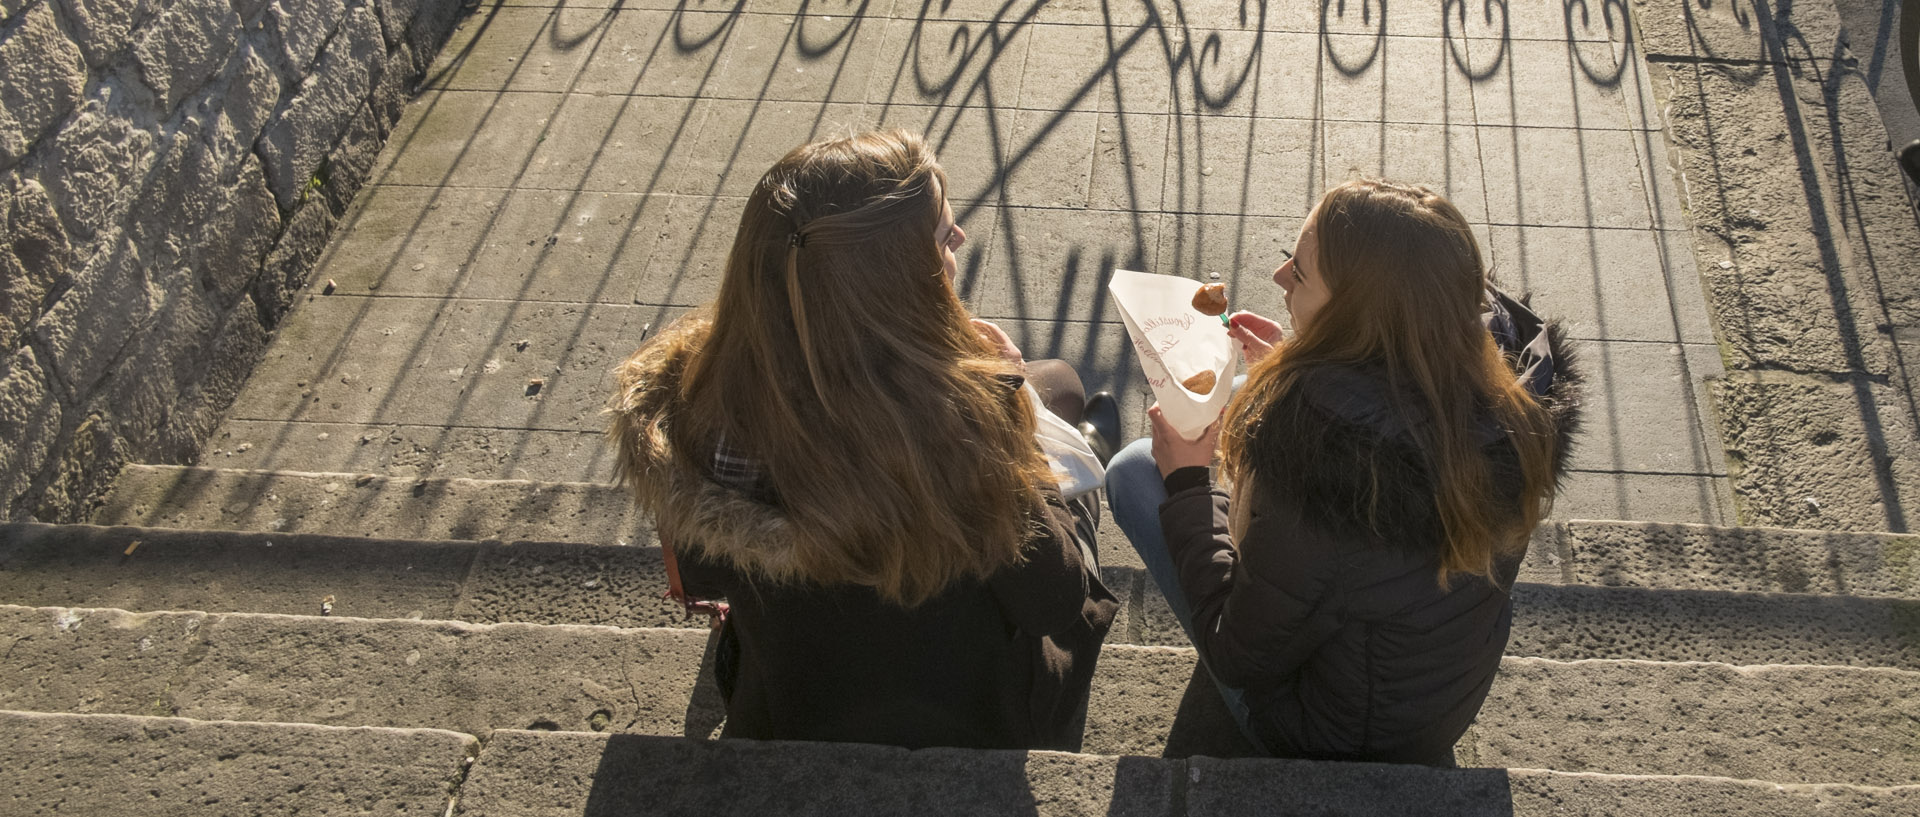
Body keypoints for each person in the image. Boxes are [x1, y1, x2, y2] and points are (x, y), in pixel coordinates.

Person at [606, 130, 1118, 751]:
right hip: (972, 719)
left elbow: (704, 569)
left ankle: (1082, 432)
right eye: (942, 235)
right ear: (891, 284)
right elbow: (1052, 602)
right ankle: (1093, 453)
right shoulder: (962, 432)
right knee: (1061, 403)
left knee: (1055, 383)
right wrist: (1008, 410)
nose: (958, 239)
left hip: (789, 707)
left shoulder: (699, 401)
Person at [1105, 179, 1581, 765]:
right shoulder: (1509, 402)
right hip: (1432, 700)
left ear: (1357, 319)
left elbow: (1236, 652)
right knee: (1244, 387)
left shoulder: (1332, 481)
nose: (1280, 279)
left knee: (1132, 471)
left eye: (1299, 275)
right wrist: (1305, 359)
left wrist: (1185, 482)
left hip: (1330, 738)